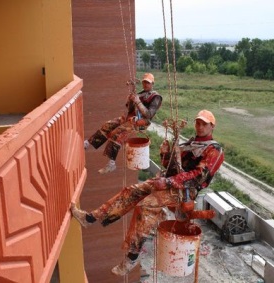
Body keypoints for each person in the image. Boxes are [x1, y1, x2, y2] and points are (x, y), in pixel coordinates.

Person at [71, 109, 224, 276]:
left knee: (146, 206)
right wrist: (165, 153)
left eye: (204, 124)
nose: (200, 126)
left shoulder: (214, 150)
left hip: (185, 191)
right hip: (168, 183)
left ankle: (132, 257)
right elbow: (170, 166)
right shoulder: (189, 144)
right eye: (198, 123)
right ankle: (91, 218)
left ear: (212, 126)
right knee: (131, 191)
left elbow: (200, 176)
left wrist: (168, 181)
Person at [84, 73, 162, 174]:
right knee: (108, 125)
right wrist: (130, 101)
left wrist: (137, 101)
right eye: (144, 82)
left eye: (148, 83)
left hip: (140, 121)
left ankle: (111, 163)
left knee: (116, 134)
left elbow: (149, 114)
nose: (145, 85)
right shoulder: (139, 94)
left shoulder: (155, 97)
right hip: (129, 118)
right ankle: (88, 143)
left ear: (152, 84)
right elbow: (130, 110)